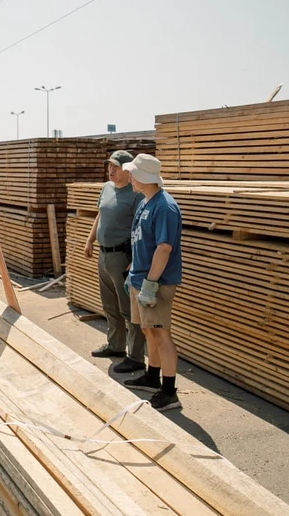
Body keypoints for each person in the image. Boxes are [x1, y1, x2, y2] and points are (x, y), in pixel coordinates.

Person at [120, 154, 184, 412]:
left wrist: (150, 283)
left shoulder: (165, 207)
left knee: (161, 334)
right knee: (149, 331)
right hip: (140, 278)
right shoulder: (145, 202)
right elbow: (141, 242)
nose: (130, 178)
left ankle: (169, 392)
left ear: (144, 177)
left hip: (155, 283)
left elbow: (164, 248)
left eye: (133, 174)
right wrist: (132, 271)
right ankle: (152, 376)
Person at [84, 150, 146, 374]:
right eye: (109, 166)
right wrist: (90, 240)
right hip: (104, 254)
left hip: (123, 257)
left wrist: (136, 258)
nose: (110, 170)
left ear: (127, 170)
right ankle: (116, 346)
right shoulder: (106, 188)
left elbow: (142, 228)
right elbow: (100, 215)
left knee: (129, 309)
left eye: (116, 167)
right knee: (109, 304)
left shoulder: (135, 194)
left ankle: (136, 356)